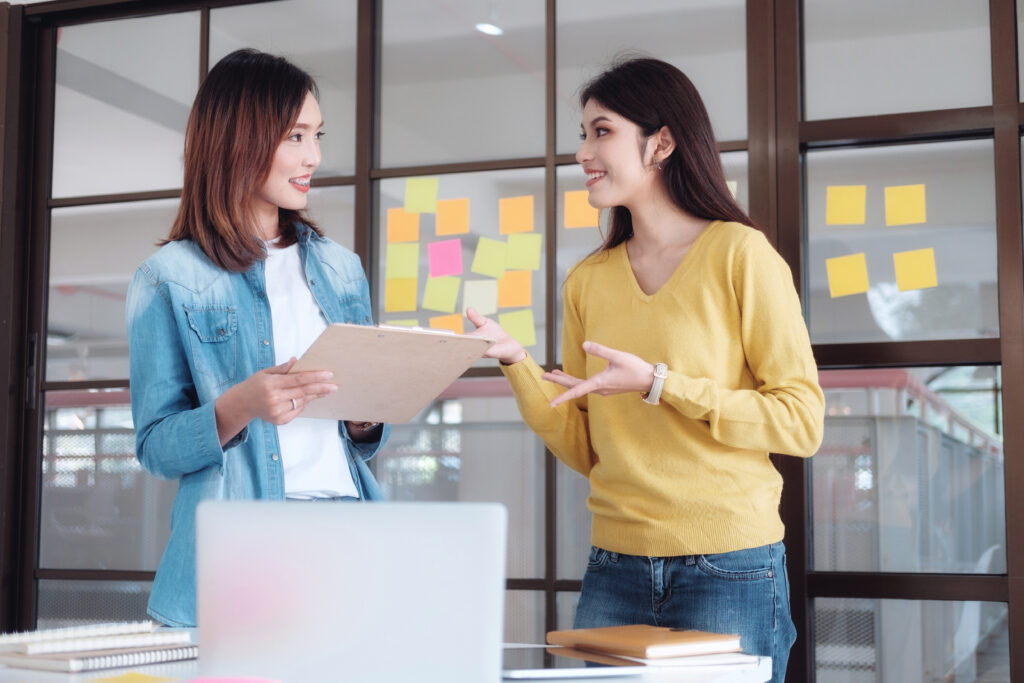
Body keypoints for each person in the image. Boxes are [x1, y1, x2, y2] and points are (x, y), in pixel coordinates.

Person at [467, 57, 824, 682]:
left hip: (730, 562)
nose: (582, 152)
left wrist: (663, 384)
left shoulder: (741, 256)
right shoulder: (587, 281)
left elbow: (800, 423)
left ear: (661, 142)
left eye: (600, 131)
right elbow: (590, 449)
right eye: (583, 134)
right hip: (615, 564)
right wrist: (519, 364)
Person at [126, 49, 389, 627]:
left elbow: (357, 436)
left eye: (318, 135)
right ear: (239, 138)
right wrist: (239, 405)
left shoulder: (343, 268)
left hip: (348, 530)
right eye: (295, 136)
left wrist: (368, 414)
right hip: (239, 543)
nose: (313, 156)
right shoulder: (168, 278)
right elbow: (155, 446)